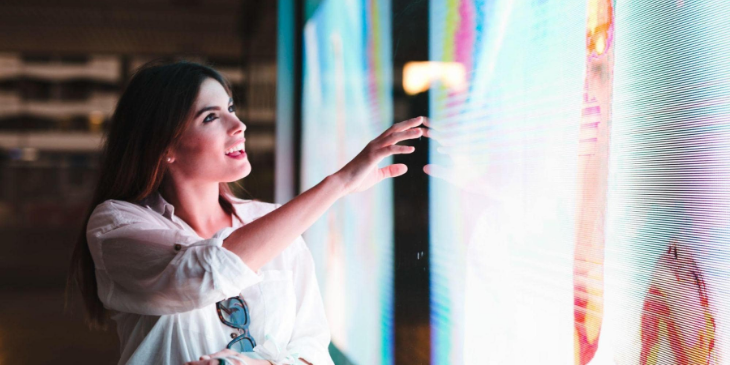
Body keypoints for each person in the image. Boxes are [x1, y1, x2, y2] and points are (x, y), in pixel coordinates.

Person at [66, 61, 429, 365]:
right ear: (164, 147)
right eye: (211, 117)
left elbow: (313, 350)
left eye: (231, 109)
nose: (238, 126)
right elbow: (200, 275)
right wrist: (338, 184)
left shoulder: (272, 222)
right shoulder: (116, 224)